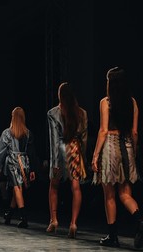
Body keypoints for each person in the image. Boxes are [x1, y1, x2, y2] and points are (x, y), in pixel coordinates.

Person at [92, 66, 143, 248]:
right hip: (127, 146)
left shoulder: (105, 102)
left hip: (110, 146)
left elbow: (103, 130)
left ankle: (112, 236)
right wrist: (134, 152)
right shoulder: (132, 102)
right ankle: (140, 220)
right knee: (125, 194)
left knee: (109, 194)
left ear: (110, 83)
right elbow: (134, 132)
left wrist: (95, 155)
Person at [47, 82, 88, 238]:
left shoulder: (53, 113)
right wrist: (83, 157)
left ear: (60, 95)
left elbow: (54, 140)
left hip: (61, 149)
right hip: (75, 149)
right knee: (76, 187)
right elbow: (84, 138)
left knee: (54, 186)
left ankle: (54, 220)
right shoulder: (82, 113)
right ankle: (73, 223)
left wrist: (55, 163)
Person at [0, 107, 37, 228]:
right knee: (16, 188)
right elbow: (32, 152)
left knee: (17, 188)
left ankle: (24, 218)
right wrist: (33, 169)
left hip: (13, 162)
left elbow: (0, 151)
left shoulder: (7, 133)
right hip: (24, 162)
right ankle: (9, 214)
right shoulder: (28, 133)